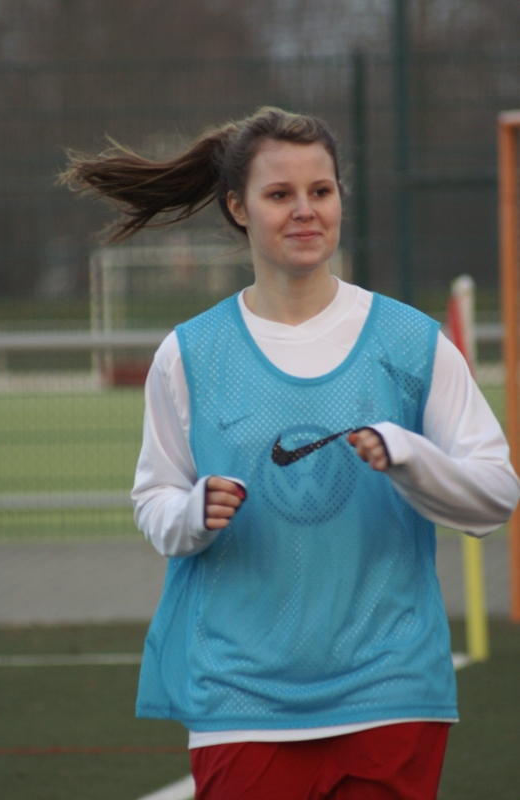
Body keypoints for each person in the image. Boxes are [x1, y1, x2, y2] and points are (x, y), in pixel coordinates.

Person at [61, 107, 519, 800]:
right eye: (280, 194)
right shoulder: (189, 354)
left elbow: (494, 499)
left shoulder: (411, 342)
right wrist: (192, 513)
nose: (305, 210)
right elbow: (155, 502)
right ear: (237, 208)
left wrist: (408, 456)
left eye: (321, 191)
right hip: (239, 699)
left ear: (339, 198)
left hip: (391, 693)